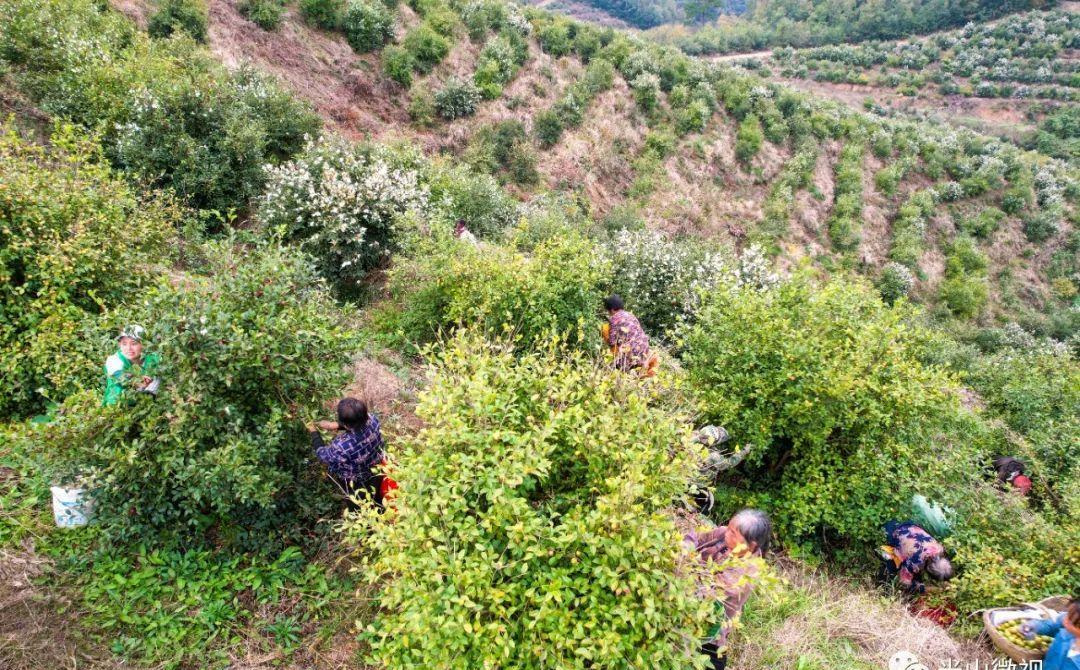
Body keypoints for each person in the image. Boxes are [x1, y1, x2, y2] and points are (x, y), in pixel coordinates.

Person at [684, 509, 772, 670]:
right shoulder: (723, 534)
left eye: (733, 533)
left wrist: (684, 569)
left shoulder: (747, 573)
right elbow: (695, 536)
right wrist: (685, 549)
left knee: (706, 657)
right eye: (729, 528)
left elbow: (705, 592)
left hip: (708, 626)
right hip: (686, 606)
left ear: (751, 545)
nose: (726, 534)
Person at [307, 398, 387, 508]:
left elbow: (323, 455)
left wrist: (314, 432)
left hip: (357, 482)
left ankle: (364, 519)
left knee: (358, 505)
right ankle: (380, 508)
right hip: (377, 470)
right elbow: (358, 423)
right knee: (377, 495)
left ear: (346, 424)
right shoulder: (373, 419)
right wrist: (335, 425)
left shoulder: (342, 446)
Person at [881, 520, 954, 594]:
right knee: (892, 571)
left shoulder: (939, 549)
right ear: (929, 570)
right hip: (890, 531)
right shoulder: (915, 562)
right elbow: (903, 584)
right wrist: (926, 589)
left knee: (916, 575)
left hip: (907, 524)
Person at [103, 325, 161, 407]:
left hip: (148, 405)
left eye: (134, 343)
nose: (129, 348)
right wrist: (136, 381)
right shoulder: (114, 359)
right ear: (119, 345)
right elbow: (119, 375)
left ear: (143, 344)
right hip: (117, 407)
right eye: (124, 344)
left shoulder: (153, 358)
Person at [601, 295, 657, 375]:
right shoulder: (631, 315)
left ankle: (620, 366)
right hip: (644, 353)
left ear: (612, 309)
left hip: (629, 357)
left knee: (605, 328)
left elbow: (612, 342)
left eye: (608, 311)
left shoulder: (614, 319)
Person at [1020, 598, 1080, 670]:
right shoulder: (1070, 618)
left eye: (1073, 623)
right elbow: (1053, 625)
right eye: (1068, 614)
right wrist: (1037, 626)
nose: (1065, 621)